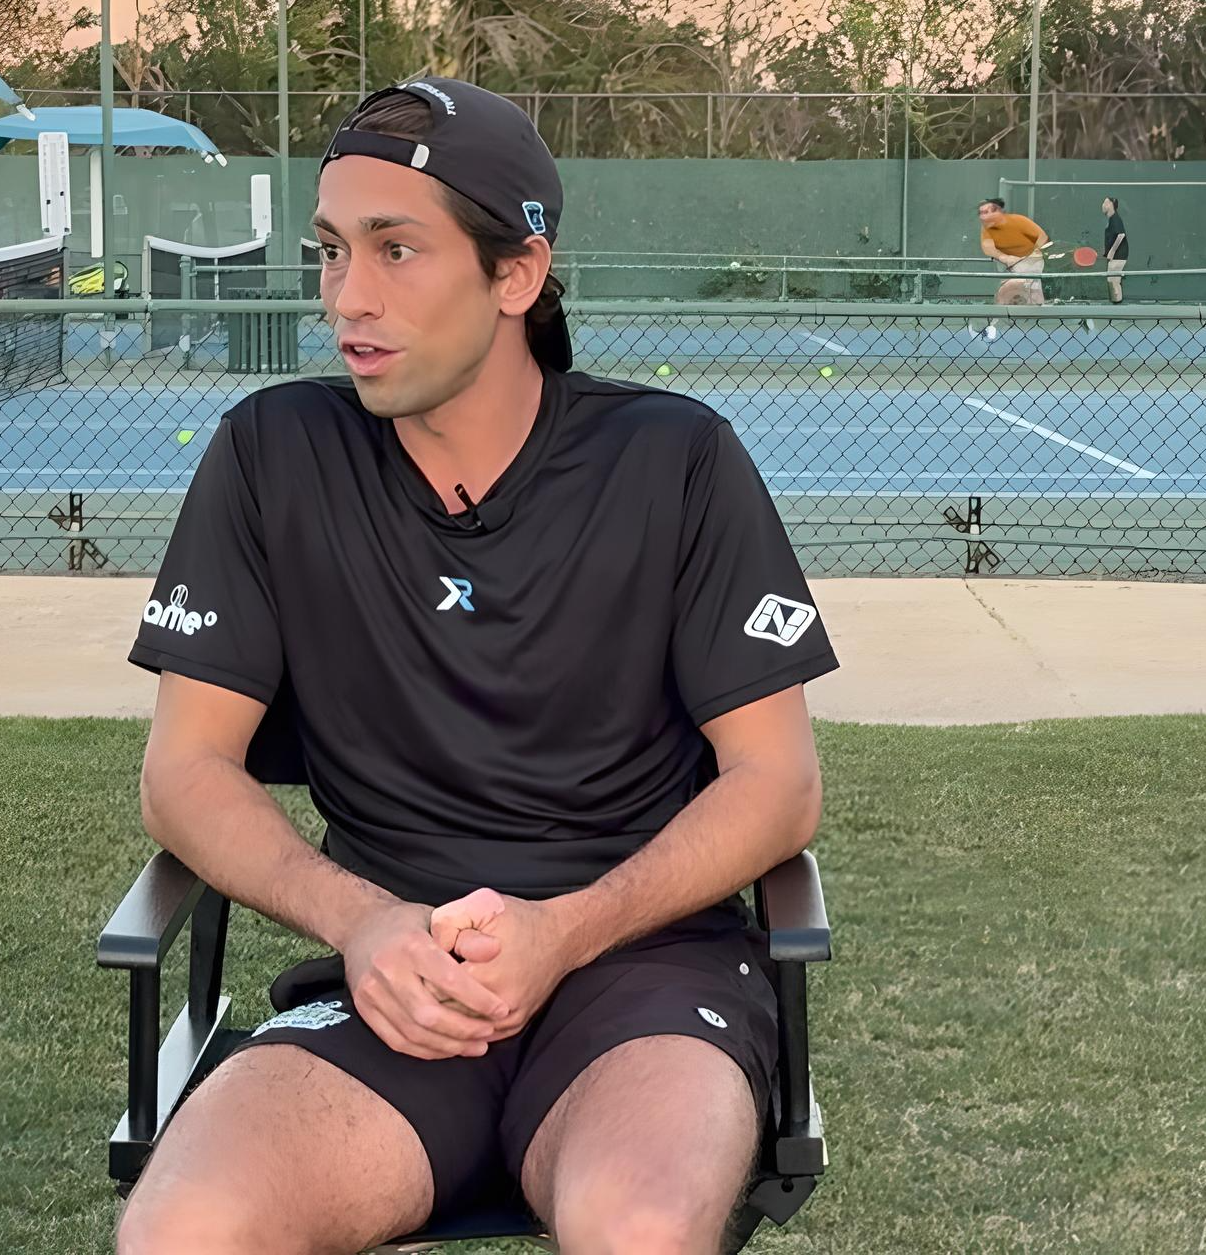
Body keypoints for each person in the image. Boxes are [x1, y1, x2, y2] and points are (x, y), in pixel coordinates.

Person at [119, 78, 838, 1254]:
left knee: (637, 1227)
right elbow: (183, 771)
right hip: (391, 981)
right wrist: (363, 923)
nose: (347, 297)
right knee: (184, 1230)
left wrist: (564, 930)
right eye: (330, 251)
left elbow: (777, 782)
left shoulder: (674, 461)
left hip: (643, 974)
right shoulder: (270, 455)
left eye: (395, 250)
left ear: (516, 274)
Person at [976, 196, 1048, 340]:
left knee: (1014, 292)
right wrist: (1004, 257)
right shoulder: (987, 229)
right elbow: (988, 247)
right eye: (981, 213)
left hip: (1031, 262)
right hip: (1012, 266)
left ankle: (996, 328)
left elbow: (1041, 237)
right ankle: (998, 327)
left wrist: (1033, 254)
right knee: (1016, 295)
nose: (983, 216)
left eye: (987, 212)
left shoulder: (1019, 221)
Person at [1103, 196, 1130, 304]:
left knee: (1113, 280)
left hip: (1119, 255)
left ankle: (1117, 304)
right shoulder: (1112, 219)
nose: (1103, 205)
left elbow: (1121, 235)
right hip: (1116, 255)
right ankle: (1116, 303)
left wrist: (1112, 251)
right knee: (1112, 279)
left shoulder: (1115, 219)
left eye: (1105, 203)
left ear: (1111, 205)